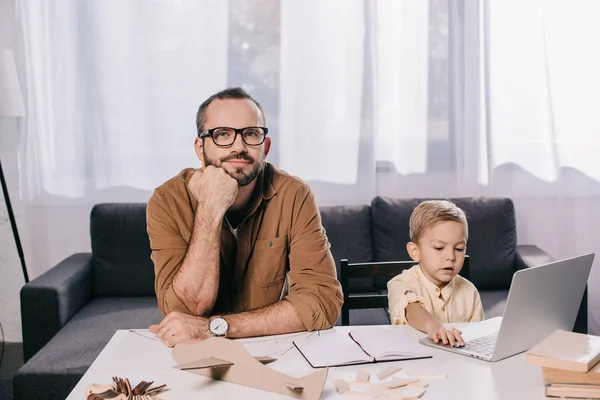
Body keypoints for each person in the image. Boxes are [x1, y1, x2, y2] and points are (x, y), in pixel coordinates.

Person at [146, 87, 343, 347]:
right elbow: (185, 308)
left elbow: (322, 302)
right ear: (200, 147)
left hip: (273, 347)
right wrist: (210, 208)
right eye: (222, 135)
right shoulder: (167, 201)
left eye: (251, 134)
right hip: (196, 352)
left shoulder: (294, 194)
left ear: (266, 146)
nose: (238, 147)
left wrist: (217, 327)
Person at [387, 200, 484, 347]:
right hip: (416, 364)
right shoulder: (400, 283)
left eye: (459, 249)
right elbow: (410, 308)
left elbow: (479, 339)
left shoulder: (470, 291)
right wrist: (434, 326)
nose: (451, 256)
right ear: (415, 251)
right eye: (439, 248)